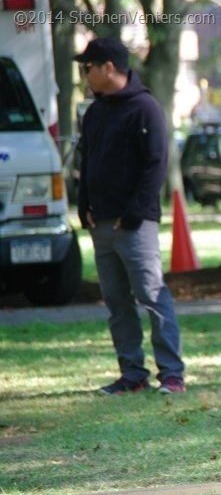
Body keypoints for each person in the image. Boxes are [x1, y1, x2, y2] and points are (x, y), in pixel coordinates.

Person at [74, 37, 186, 395]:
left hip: (135, 224)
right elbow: (85, 161)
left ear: (108, 67)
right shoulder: (94, 112)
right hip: (100, 224)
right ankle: (131, 373)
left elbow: (156, 166)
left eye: (87, 67)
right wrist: (83, 205)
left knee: (152, 295)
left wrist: (135, 213)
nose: (84, 75)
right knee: (117, 303)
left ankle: (171, 374)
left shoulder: (145, 108)